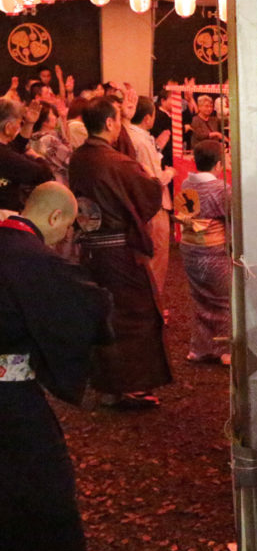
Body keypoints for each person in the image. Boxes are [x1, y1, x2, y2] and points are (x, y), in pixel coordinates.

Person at [0, 182, 143, 551]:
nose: (64, 238)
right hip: (8, 392)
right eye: (65, 229)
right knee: (46, 473)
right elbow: (89, 304)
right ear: (54, 217)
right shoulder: (31, 258)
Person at [68, 97, 171, 409]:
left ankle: (107, 382)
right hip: (117, 251)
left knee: (102, 312)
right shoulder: (116, 162)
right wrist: (160, 181)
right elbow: (148, 192)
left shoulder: (80, 159)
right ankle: (131, 387)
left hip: (90, 248)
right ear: (110, 123)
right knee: (133, 315)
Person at [174, 139, 231, 365]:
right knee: (224, 300)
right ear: (218, 165)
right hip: (212, 249)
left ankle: (201, 347)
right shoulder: (220, 189)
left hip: (189, 248)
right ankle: (225, 350)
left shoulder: (186, 184)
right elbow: (234, 218)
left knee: (199, 297)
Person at [127, 96, 175, 307]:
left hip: (138, 205)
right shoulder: (141, 141)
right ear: (148, 118)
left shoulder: (132, 136)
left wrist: (158, 147)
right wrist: (170, 173)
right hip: (154, 206)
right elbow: (154, 180)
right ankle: (153, 306)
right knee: (156, 258)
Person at [0, 97, 53, 212]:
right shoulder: (5, 156)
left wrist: (29, 124)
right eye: (20, 123)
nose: (20, 127)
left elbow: (16, 147)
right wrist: (37, 157)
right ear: (8, 127)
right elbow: (44, 174)